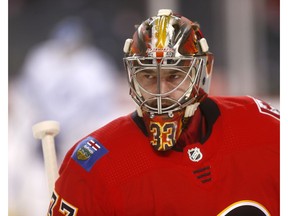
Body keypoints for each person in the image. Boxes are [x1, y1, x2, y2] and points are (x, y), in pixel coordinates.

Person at [47, 9, 280, 215]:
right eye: (148, 76)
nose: (161, 92)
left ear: (203, 72)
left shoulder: (264, 127)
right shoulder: (93, 165)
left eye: (174, 76)